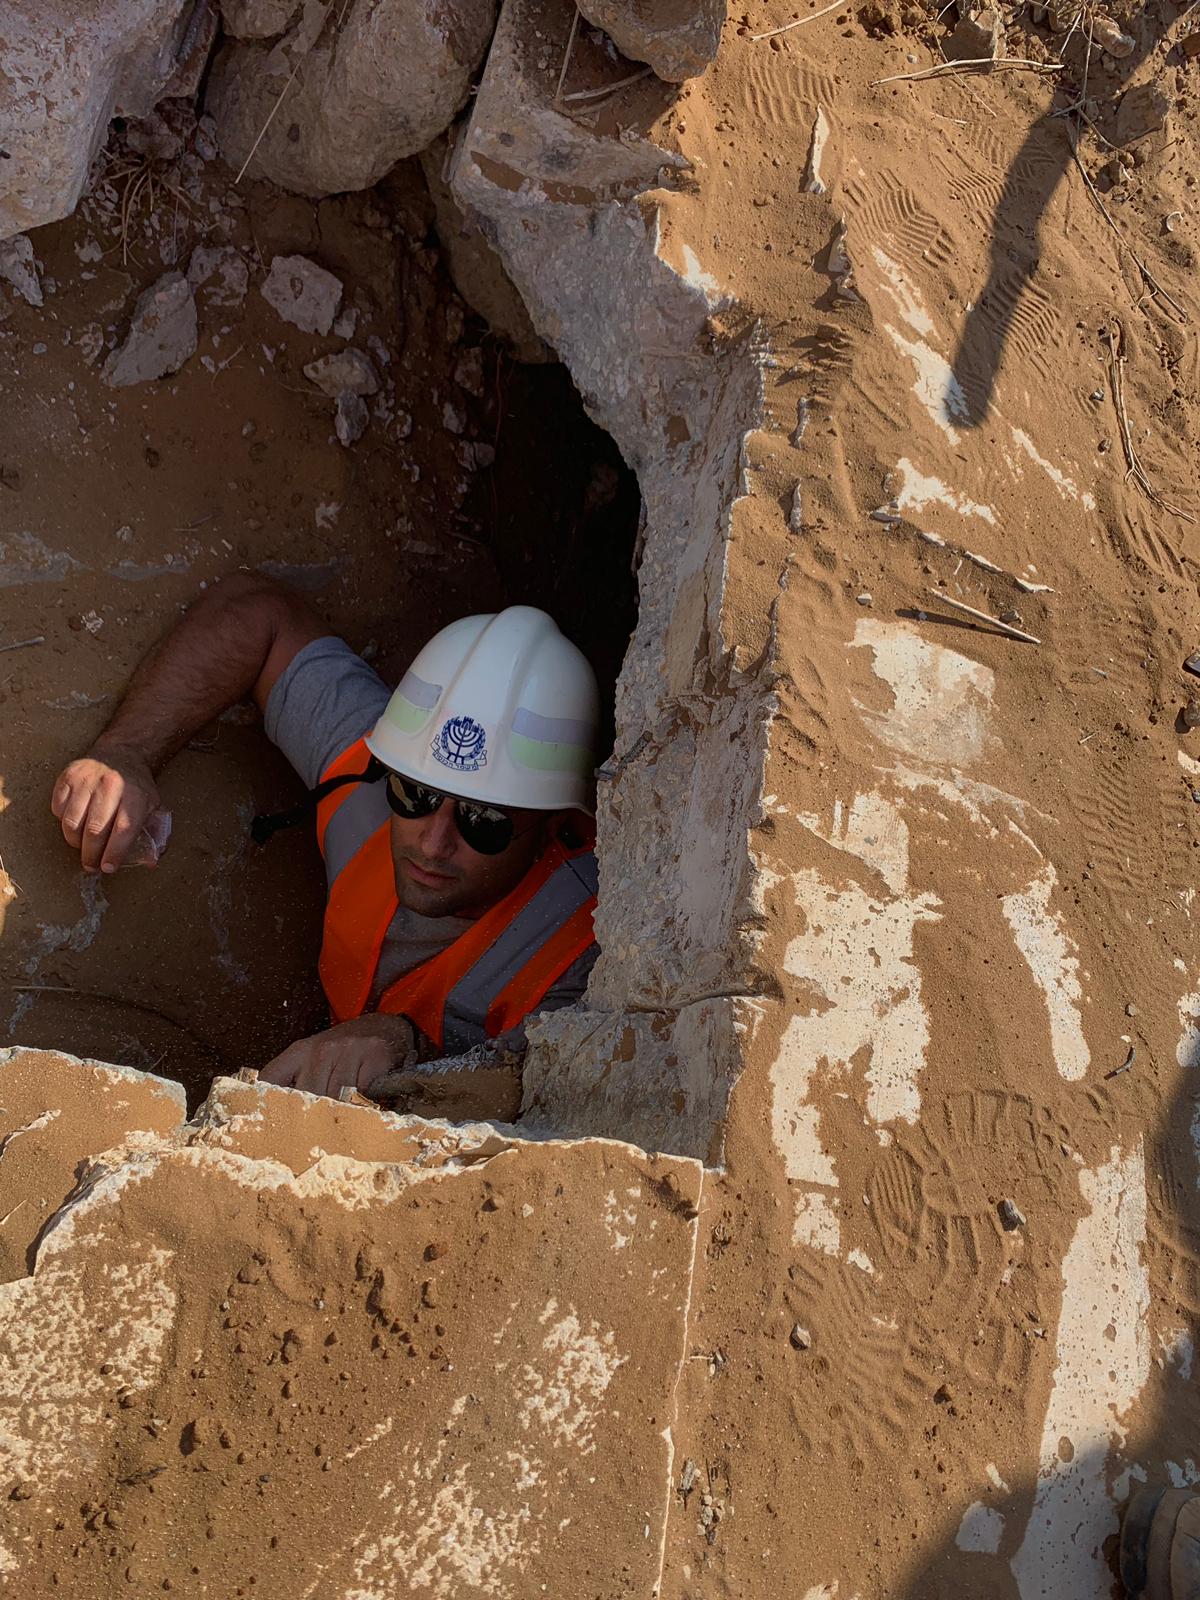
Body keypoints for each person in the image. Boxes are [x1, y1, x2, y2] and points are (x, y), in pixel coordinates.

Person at [49, 572, 600, 1108]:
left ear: (555, 827)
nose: (433, 841)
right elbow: (260, 615)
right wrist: (126, 752)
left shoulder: (583, 946)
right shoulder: (370, 782)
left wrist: (403, 1043)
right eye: (416, 796)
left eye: (484, 821)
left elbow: (537, 1096)